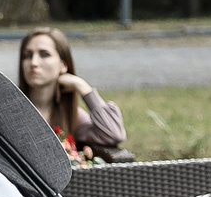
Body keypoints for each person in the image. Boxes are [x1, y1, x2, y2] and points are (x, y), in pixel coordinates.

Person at [16, 27, 128, 161]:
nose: (33, 63)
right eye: (28, 55)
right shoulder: (8, 110)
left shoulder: (71, 115)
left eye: (44, 54)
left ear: (63, 65)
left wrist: (81, 86)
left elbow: (113, 133)